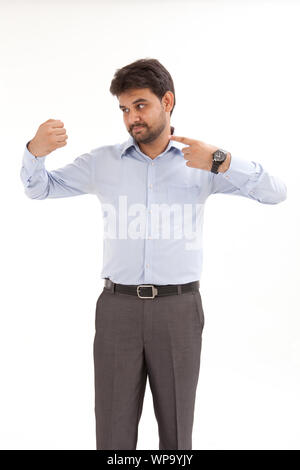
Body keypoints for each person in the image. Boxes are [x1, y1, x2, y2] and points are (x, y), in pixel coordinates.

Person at [20, 58, 287, 450]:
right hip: (117, 309)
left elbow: (275, 193)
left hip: (178, 309)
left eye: (141, 105)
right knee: (112, 433)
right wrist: (34, 152)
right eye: (125, 110)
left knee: (177, 436)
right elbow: (40, 188)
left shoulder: (201, 162)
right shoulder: (102, 162)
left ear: (168, 101)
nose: (132, 119)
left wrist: (222, 161)